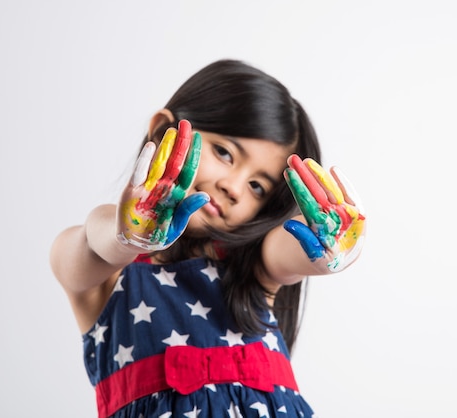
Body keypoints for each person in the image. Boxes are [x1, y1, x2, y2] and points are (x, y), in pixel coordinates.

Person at [50, 59, 366, 418]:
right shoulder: (106, 273)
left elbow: (295, 250)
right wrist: (127, 237)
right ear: (161, 131)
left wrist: (333, 250)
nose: (233, 187)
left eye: (257, 186)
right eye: (224, 153)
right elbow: (93, 240)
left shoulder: (255, 272)